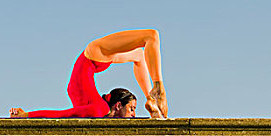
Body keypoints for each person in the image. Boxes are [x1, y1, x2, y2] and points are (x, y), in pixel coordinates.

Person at [9, 29, 168, 119]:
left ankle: (152, 99)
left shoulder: (98, 110)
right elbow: (64, 114)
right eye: (132, 108)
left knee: (141, 54)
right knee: (150, 37)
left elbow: (65, 113)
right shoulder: (99, 110)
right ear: (118, 105)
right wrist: (26, 115)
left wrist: (27, 114)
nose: (134, 115)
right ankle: (157, 90)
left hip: (95, 57)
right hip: (95, 55)